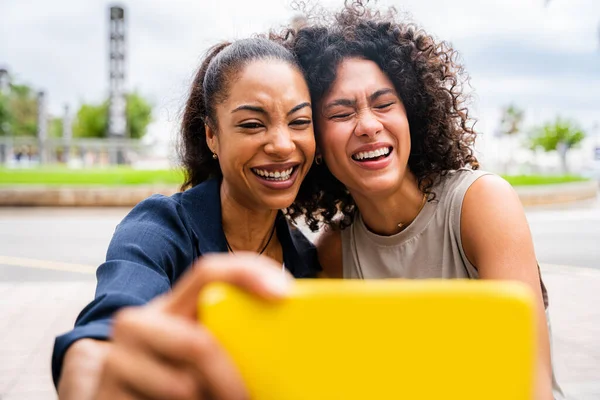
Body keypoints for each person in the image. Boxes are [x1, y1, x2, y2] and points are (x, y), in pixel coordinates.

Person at [280, 2, 563, 399]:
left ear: (411, 113)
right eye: (342, 114)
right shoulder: (335, 250)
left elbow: (526, 379)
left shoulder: (480, 204)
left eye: (383, 104)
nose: (369, 126)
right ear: (317, 143)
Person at [53, 37, 319, 400]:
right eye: (252, 124)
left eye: (299, 121)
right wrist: (95, 374)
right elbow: (106, 331)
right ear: (212, 135)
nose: (283, 144)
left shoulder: (306, 260)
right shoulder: (160, 228)